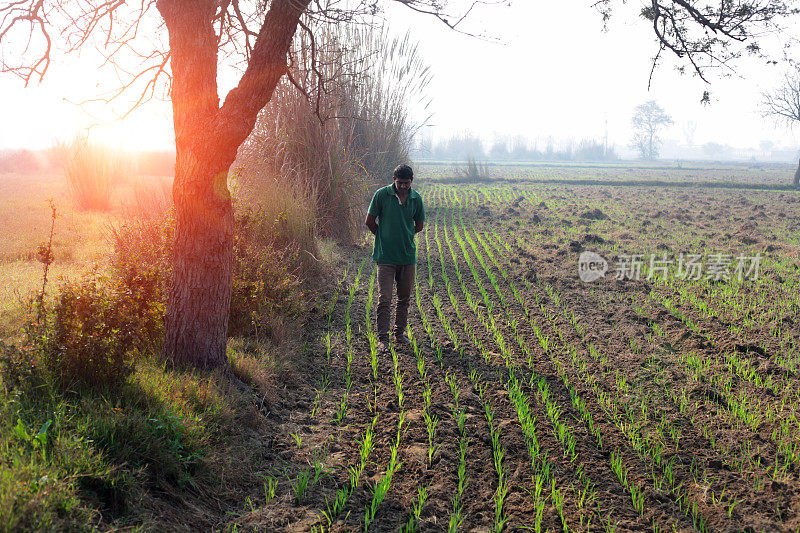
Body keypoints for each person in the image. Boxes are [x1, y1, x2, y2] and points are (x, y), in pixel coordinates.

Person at [365, 164, 425, 352]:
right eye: (400, 183)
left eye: (407, 183)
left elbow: (419, 225)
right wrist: (384, 237)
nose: (403, 187)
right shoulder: (381, 195)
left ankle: (399, 334)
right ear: (394, 180)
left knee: (404, 298)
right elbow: (369, 221)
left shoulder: (416, 199)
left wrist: (404, 237)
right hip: (385, 257)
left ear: (411, 182)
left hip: (407, 257)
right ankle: (383, 338)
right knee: (384, 298)